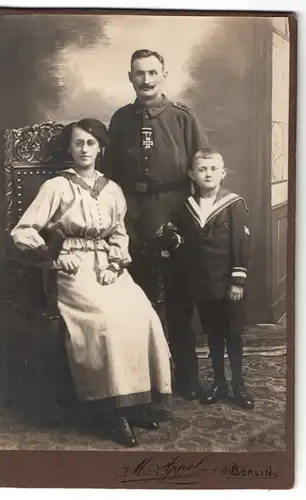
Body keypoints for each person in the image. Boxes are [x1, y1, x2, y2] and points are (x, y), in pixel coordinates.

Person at [10, 118, 172, 447]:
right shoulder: (56, 186)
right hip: (73, 269)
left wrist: (115, 263)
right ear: (69, 149)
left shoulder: (111, 189)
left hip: (106, 268)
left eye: (90, 143)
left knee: (143, 314)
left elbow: (119, 234)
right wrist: (51, 255)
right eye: (78, 143)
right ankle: (108, 411)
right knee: (107, 321)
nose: (84, 149)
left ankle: (135, 401)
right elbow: (22, 231)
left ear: (101, 148)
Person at [102, 48, 209, 400]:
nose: (146, 80)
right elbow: (111, 175)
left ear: (164, 74)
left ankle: (188, 378)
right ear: (129, 77)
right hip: (132, 216)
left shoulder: (182, 118)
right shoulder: (120, 120)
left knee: (179, 301)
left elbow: (202, 170)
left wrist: (194, 219)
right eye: (138, 73)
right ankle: (144, 381)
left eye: (152, 72)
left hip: (175, 212)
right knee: (138, 302)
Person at [170, 148, 254, 409]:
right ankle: (219, 383)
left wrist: (237, 280)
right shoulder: (186, 207)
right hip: (202, 284)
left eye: (213, 169)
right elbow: (182, 241)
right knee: (213, 335)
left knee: (233, 334)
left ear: (222, 173)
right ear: (192, 174)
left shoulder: (233, 204)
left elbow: (240, 242)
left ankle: (238, 385)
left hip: (228, 283)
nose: (208, 174)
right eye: (202, 169)